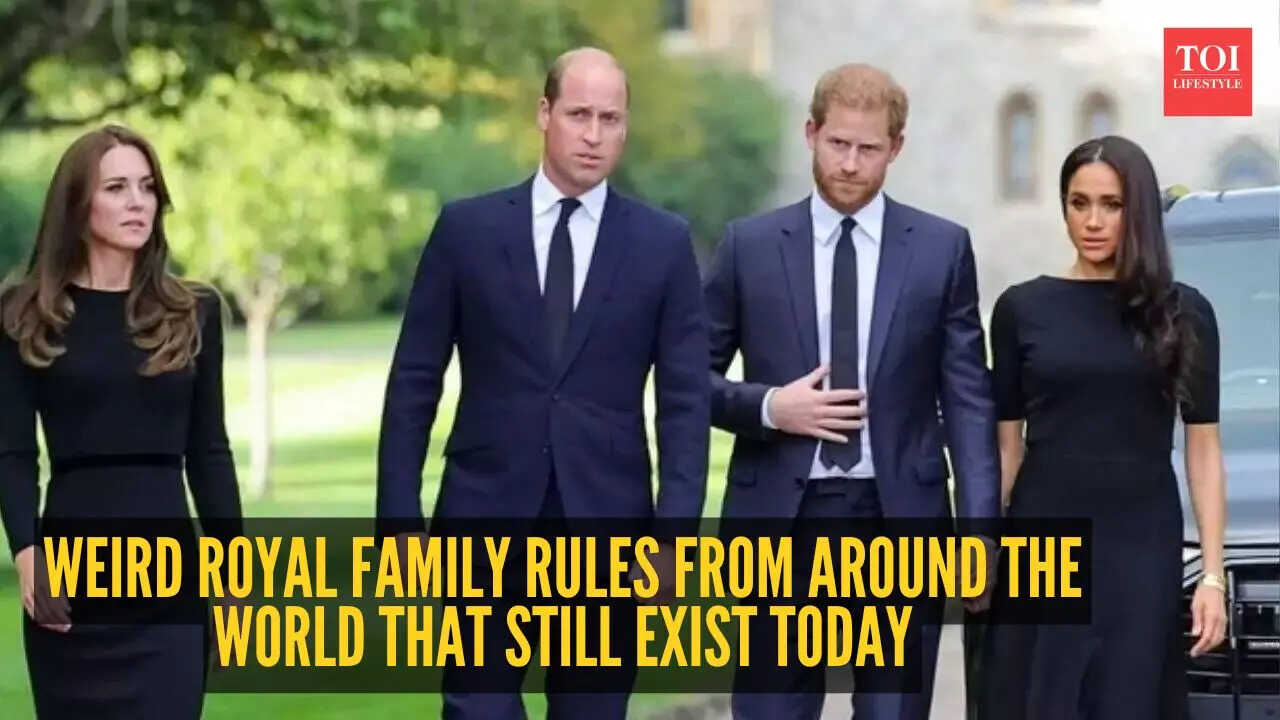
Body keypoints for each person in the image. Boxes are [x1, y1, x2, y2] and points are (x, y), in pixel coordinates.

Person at [375, 47, 709, 719]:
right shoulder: (466, 231)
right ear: (544, 113)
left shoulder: (664, 244)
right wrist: (400, 522)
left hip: (610, 536)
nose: (594, 134)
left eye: (610, 119)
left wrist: (675, 536)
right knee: (476, 710)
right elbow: (414, 379)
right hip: (482, 524)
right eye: (579, 114)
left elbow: (684, 401)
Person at [704, 62, 1000, 720]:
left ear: (896, 147)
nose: (849, 164)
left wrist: (979, 532)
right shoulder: (748, 246)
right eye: (837, 143)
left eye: (868, 148)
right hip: (779, 523)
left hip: (900, 521)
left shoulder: (942, 250)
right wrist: (769, 407)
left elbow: (968, 402)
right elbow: (687, 380)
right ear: (811, 133)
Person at [978, 135, 1228, 719]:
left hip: (1141, 542)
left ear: (1136, 211)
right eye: (1079, 203)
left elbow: (1203, 448)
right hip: (1043, 540)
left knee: (1129, 698)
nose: (1092, 222)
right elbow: (1006, 449)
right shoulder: (1021, 309)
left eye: (1111, 205)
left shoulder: (1185, 312)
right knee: (1040, 699)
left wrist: (1213, 577)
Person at [0, 124, 242, 718]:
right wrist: (27, 551)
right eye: (116, 187)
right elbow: (13, 450)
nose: (138, 201)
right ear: (77, 204)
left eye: (148, 187)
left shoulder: (193, 312)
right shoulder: (24, 313)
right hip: (71, 578)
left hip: (170, 579)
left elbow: (209, 451)